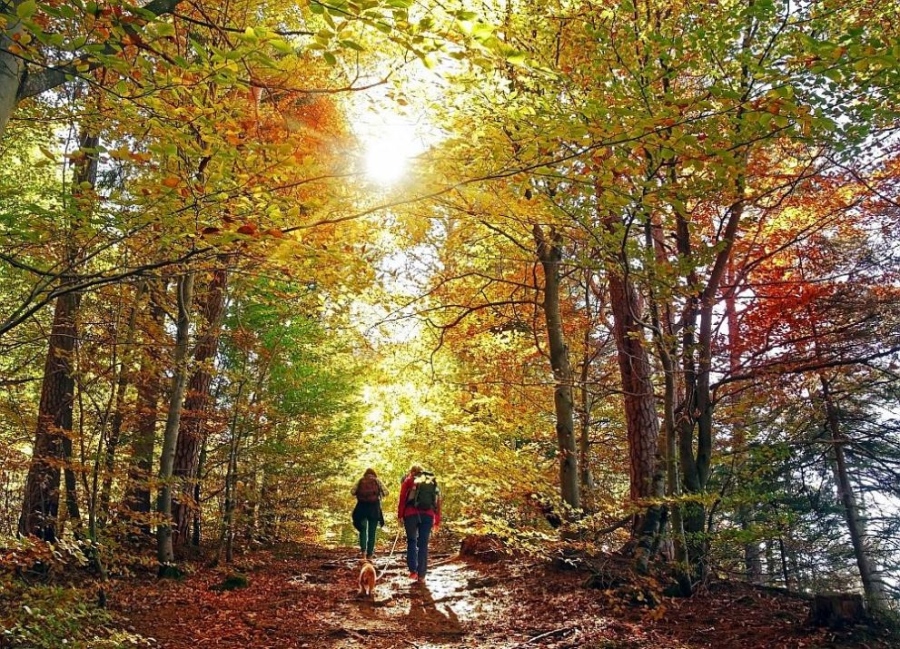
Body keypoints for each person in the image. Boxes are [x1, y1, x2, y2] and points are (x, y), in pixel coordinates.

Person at [397, 463, 441, 583]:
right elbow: (437, 501)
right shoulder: (430, 481)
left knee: (412, 541)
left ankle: (413, 572)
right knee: (423, 544)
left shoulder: (408, 480)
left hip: (410, 515)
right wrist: (437, 520)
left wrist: (400, 515)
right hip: (427, 515)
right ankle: (421, 575)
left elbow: (402, 498)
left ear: (411, 471)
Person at [351, 468, 387, 560]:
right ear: (374, 474)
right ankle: (370, 554)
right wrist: (378, 495)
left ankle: (363, 552)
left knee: (363, 530)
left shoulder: (360, 480)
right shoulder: (377, 480)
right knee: (372, 532)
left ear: (365, 474)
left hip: (362, 508)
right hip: (374, 508)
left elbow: (352, 492)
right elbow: (386, 492)